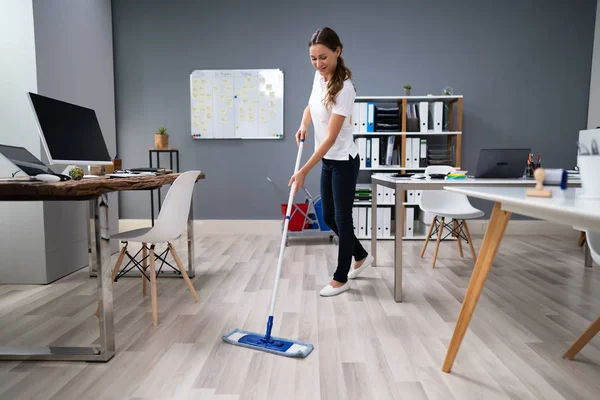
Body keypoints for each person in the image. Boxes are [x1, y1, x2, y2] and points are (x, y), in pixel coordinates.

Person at [288, 27, 374, 297]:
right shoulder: (319, 77)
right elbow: (311, 106)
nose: (318, 64)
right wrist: (304, 125)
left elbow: (330, 138)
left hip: (343, 161)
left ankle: (341, 277)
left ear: (338, 51)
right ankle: (360, 255)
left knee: (341, 218)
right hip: (327, 159)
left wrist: (303, 171)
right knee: (327, 216)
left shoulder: (345, 89)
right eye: (313, 58)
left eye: (323, 57)